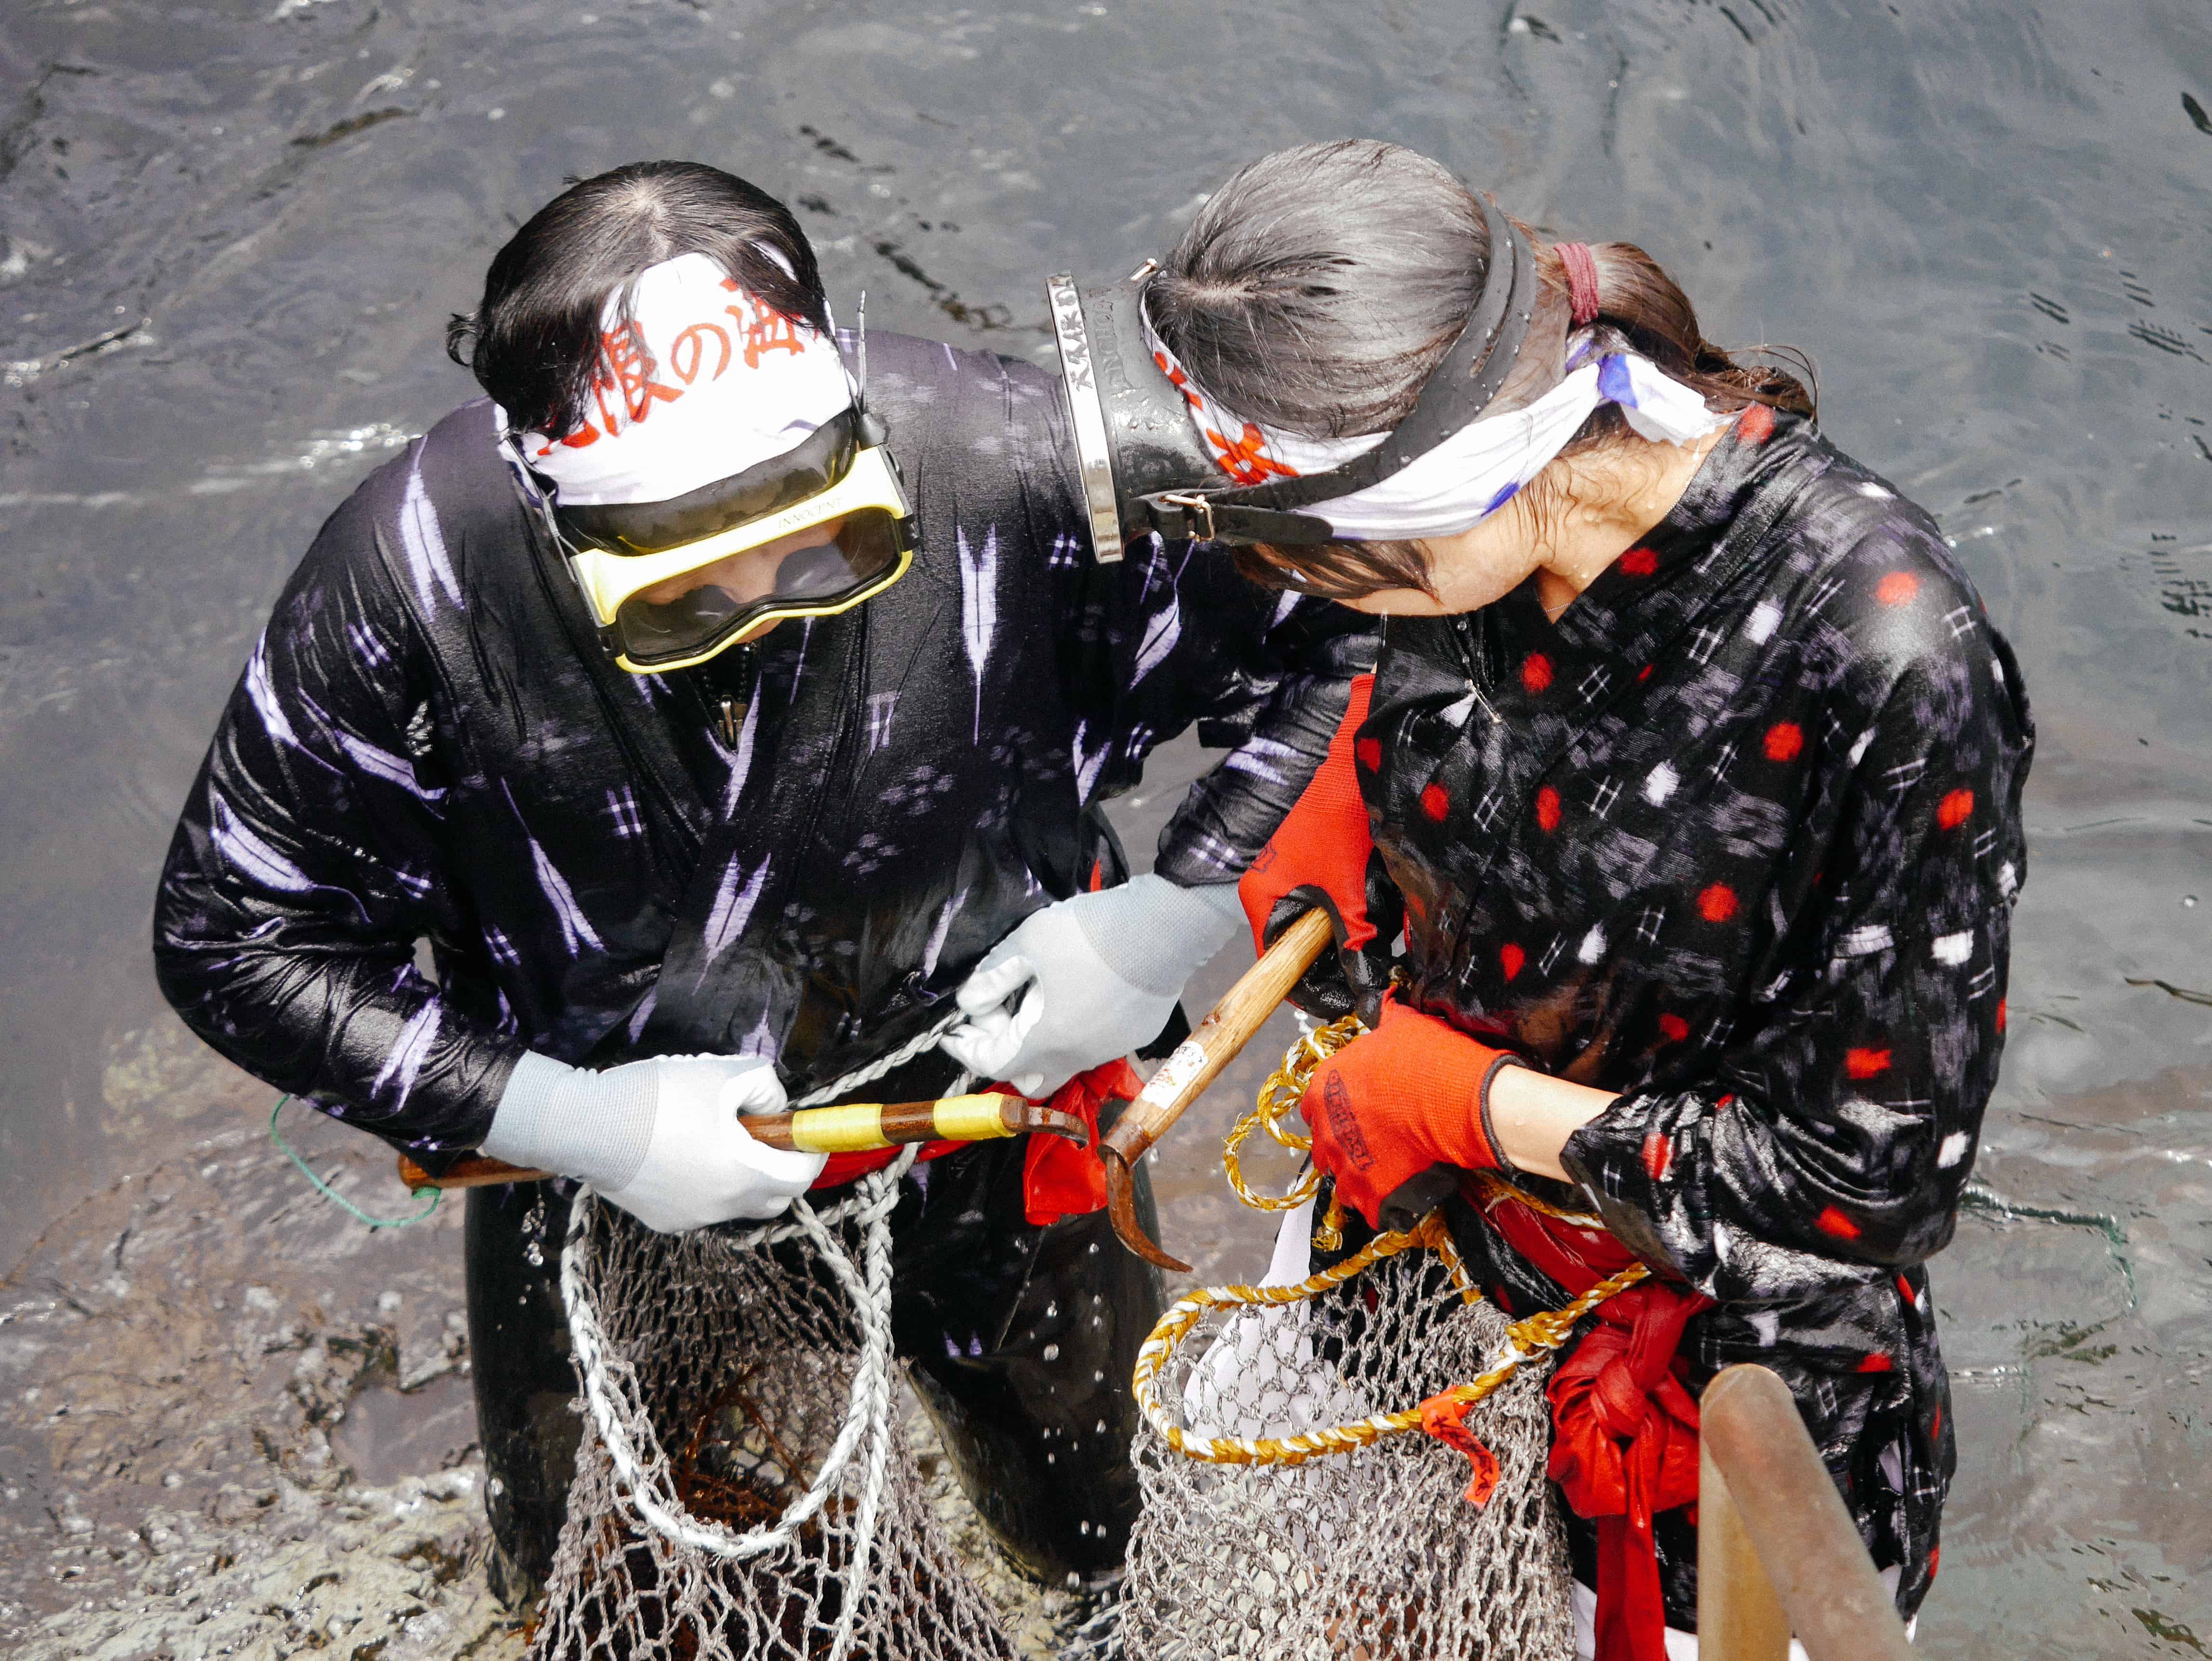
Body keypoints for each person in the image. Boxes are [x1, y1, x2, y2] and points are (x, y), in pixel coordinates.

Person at [151, 160, 1372, 1608]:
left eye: (824, 551)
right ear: (559, 511)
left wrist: (1181, 916)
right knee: (586, 1569)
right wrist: (570, 1119)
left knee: (1097, 1521)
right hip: (605, 1166)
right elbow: (231, 932)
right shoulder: (414, 575)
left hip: (997, 1109)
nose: (760, 599)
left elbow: (1362, 641)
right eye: (686, 594)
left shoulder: (1020, 460)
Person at [1140, 141, 2030, 1658]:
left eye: (1321, 560)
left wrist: (1470, 1102)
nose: (1298, 592)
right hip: (1413, 1261)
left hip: (1692, 1401)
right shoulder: (1466, 553)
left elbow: (1866, 1190)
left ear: (1467, 479)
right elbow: (1381, 669)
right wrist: (1347, 826)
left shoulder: (1880, 653)